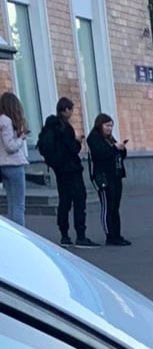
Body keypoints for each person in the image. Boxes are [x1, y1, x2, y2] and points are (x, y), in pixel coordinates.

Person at [40, 97, 96, 247]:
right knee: (79, 200)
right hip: (71, 169)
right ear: (65, 110)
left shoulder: (51, 127)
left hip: (59, 170)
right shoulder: (65, 128)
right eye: (70, 109)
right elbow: (73, 149)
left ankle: (64, 235)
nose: (71, 112)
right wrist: (77, 141)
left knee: (64, 202)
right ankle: (81, 235)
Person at [87, 113, 131, 246]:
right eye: (107, 125)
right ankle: (110, 235)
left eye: (111, 126)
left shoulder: (110, 138)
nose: (109, 128)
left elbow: (118, 154)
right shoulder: (94, 138)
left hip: (116, 175)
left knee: (115, 206)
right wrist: (114, 148)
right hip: (103, 176)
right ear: (100, 125)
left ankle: (117, 234)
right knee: (107, 206)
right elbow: (101, 154)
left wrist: (122, 149)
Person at [0, 92, 30, 227]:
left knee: (11, 204)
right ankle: (20, 234)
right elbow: (10, 146)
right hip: (13, 164)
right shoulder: (6, 121)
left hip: (3, 165)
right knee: (19, 205)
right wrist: (21, 138)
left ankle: (14, 233)